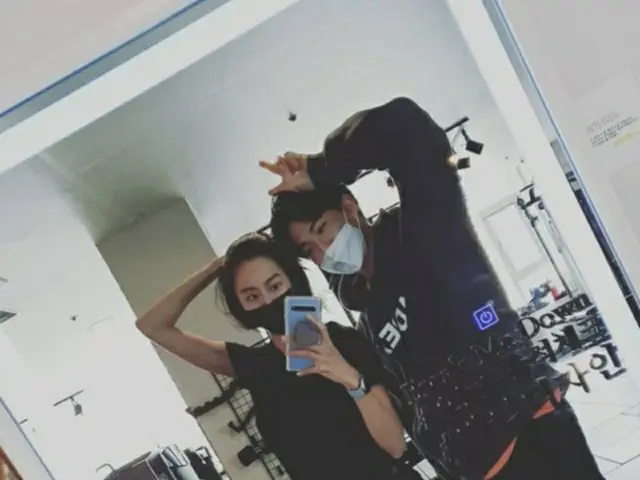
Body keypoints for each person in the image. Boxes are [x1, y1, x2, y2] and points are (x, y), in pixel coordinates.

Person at [264, 97, 605, 480]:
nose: (324, 251)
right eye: (309, 249)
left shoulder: (425, 231)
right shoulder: (368, 313)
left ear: (348, 208)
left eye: (322, 230)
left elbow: (406, 127)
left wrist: (319, 169)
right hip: (474, 468)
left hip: (530, 436)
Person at [136, 232, 421, 480]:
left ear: (292, 280)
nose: (268, 300)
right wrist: (216, 268)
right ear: (240, 307)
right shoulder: (254, 366)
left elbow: (395, 446)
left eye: (274, 286)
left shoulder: (346, 341)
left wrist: (348, 376)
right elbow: (153, 326)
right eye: (251, 296)